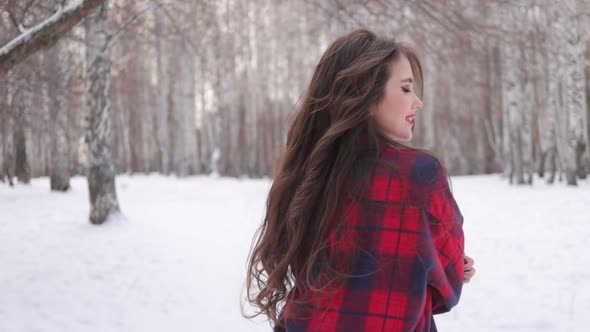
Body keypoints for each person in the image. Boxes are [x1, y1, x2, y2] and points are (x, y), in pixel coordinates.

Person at [244, 29, 476, 332]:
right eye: (406, 89)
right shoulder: (420, 175)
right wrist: (445, 268)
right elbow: (447, 288)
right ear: (365, 95)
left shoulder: (308, 172)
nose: (417, 102)